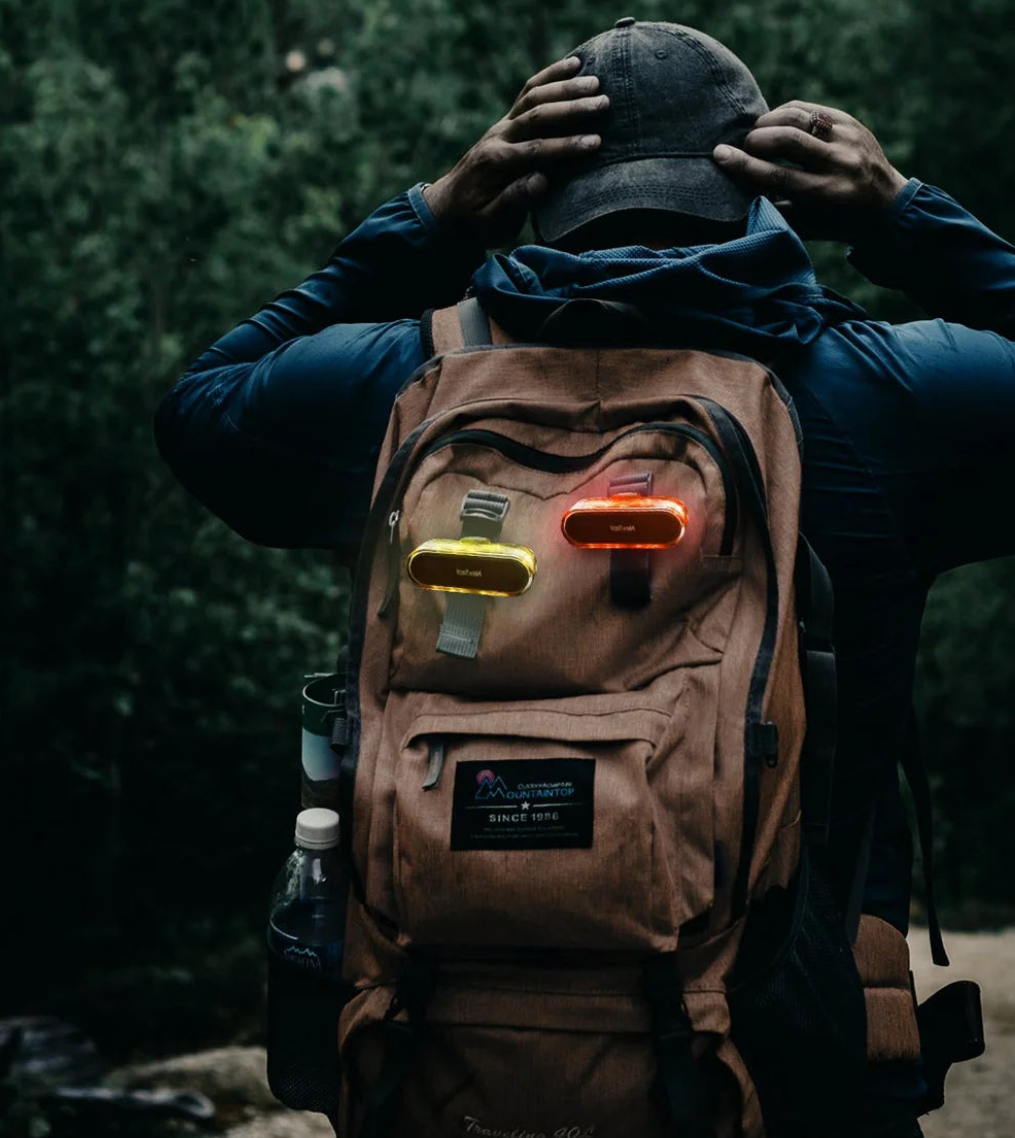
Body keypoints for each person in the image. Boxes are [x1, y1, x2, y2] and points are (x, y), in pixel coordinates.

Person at [155, 19, 1014, 1137]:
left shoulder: (406, 388)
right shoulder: (880, 398)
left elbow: (199, 409)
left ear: (530, 186)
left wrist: (427, 221)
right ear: (765, 187)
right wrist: (902, 216)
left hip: (442, 1062)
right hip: (789, 1070)